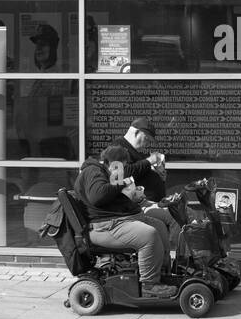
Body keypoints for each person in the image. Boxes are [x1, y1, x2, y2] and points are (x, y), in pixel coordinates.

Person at [76, 146, 174, 297]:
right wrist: (124, 183)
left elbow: (108, 196)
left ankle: (163, 273)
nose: (123, 169)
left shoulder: (105, 173)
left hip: (118, 221)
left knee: (159, 225)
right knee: (149, 235)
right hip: (104, 227)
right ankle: (150, 285)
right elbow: (98, 196)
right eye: (122, 165)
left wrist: (134, 197)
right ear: (112, 163)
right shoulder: (93, 171)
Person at [113, 117, 180, 247]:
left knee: (183, 210)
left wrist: (158, 175)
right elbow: (122, 174)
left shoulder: (133, 151)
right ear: (136, 132)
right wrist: (149, 161)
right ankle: (176, 256)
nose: (147, 144)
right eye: (147, 139)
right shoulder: (118, 148)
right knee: (176, 216)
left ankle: (184, 256)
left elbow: (138, 171)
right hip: (137, 206)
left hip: (149, 202)